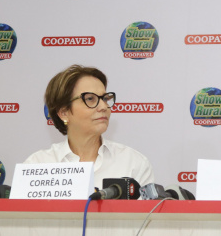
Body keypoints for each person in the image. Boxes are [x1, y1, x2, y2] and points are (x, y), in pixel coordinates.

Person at [26, 65, 154, 189]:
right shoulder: (37, 165)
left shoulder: (133, 164)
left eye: (105, 99)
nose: (103, 107)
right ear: (64, 112)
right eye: (90, 99)